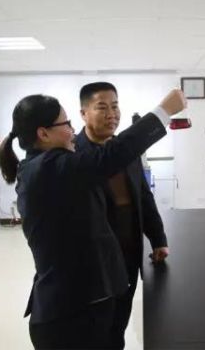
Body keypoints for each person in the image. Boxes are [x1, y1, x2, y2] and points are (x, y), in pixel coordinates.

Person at [0, 89, 186, 349]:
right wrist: (163, 112)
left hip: (88, 301)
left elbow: (137, 192)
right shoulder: (49, 168)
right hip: (70, 316)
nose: (72, 130)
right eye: (66, 124)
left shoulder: (46, 165)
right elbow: (110, 156)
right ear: (43, 134)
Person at [75, 82, 169, 349]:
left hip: (128, 255)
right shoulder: (73, 155)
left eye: (115, 107)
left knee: (118, 327)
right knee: (95, 331)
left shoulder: (126, 149)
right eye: (102, 107)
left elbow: (144, 197)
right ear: (84, 113)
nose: (111, 114)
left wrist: (158, 239)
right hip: (94, 263)